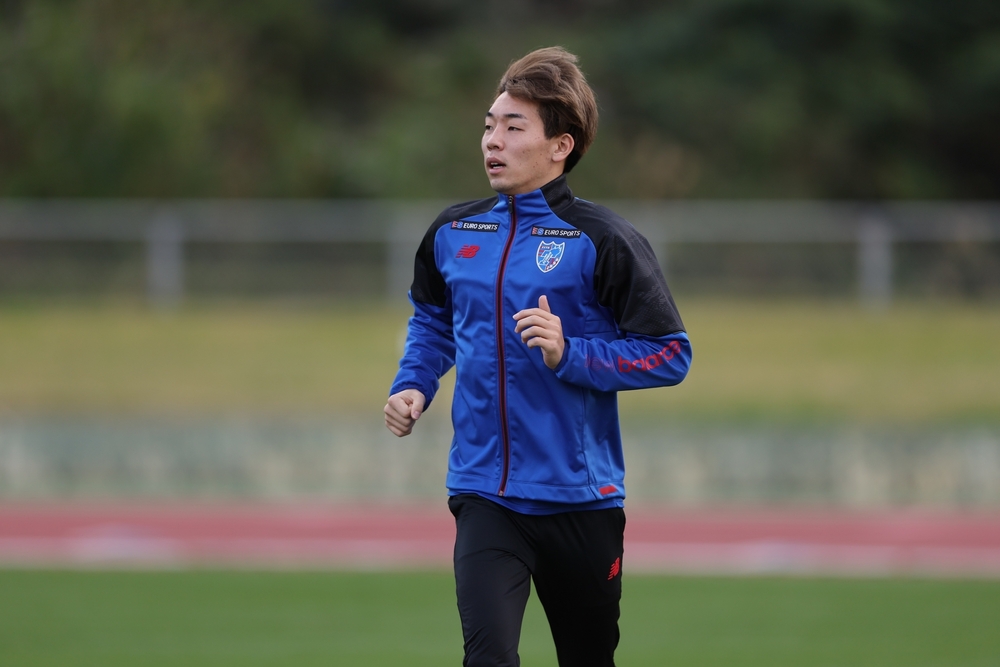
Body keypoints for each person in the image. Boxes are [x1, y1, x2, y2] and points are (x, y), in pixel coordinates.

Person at [384, 46, 691, 667]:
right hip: (484, 494)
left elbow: (668, 355)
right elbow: (434, 322)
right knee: (488, 659)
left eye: (513, 127)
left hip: (582, 501)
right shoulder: (453, 232)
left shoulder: (604, 240)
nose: (492, 141)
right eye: (488, 125)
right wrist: (414, 382)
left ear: (561, 146)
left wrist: (569, 353)